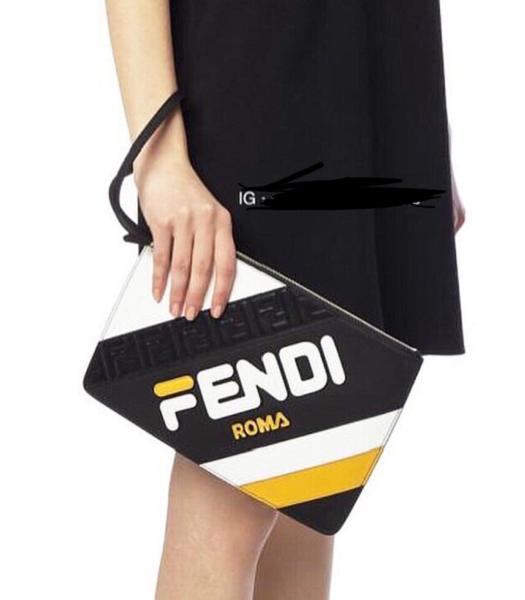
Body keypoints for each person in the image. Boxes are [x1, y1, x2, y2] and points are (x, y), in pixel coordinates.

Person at [105, 1, 465, 598]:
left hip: (369, 72)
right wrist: (158, 156)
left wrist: (420, 130)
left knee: (310, 484)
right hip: (263, 78)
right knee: (237, 483)